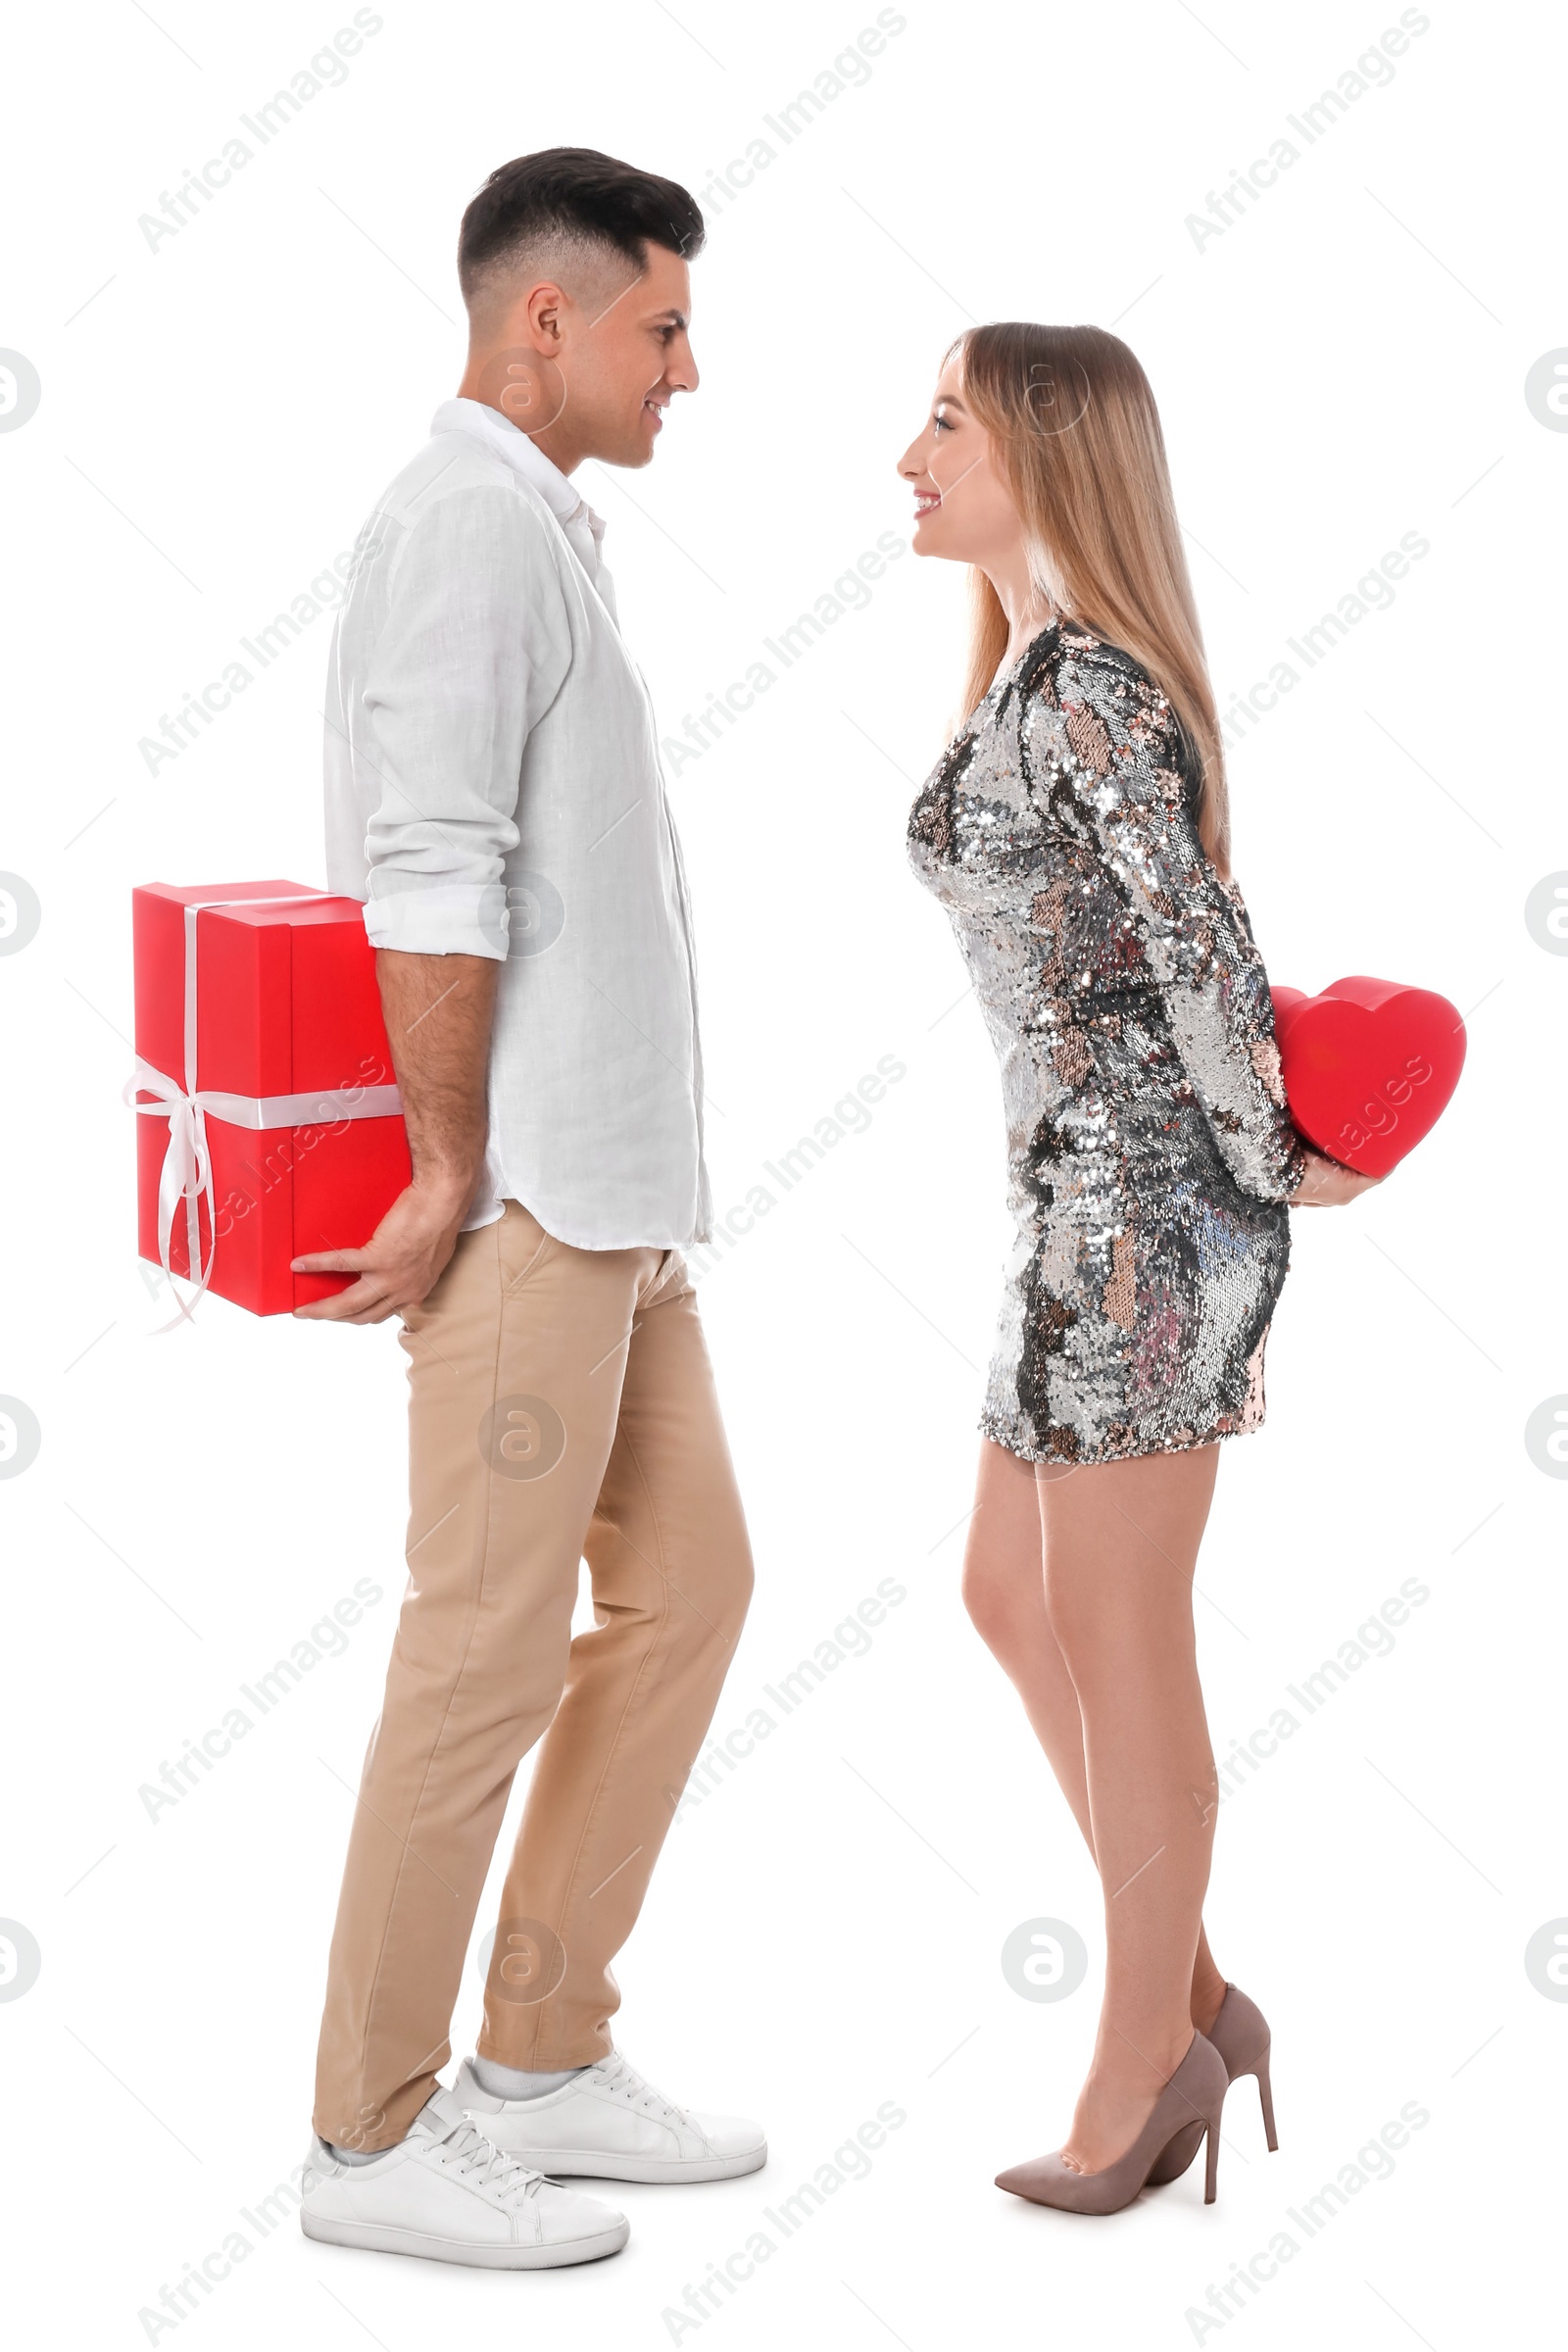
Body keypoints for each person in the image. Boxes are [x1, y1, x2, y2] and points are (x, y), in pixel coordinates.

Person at [291, 147, 762, 2272]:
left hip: (611, 1199)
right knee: (480, 1650)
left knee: (693, 1588)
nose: (691, 367)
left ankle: (542, 2061)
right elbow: (430, 864)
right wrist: (447, 1166)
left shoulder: (530, 527)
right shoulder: (473, 525)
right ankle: (371, 2137)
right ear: (542, 322)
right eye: (662, 325)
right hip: (525, 1205)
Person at [899, 323, 1379, 2215]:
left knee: (1117, 1634)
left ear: (1045, 448)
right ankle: (1189, 1987)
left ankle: (1139, 2069)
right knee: (1004, 1595)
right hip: (1065, 1211)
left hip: (1150, 1224)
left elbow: (1201, 945)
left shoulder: (1091, 689)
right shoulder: (1029, 673)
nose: (908, 455)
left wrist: (1282, 1162)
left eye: (944, 420)